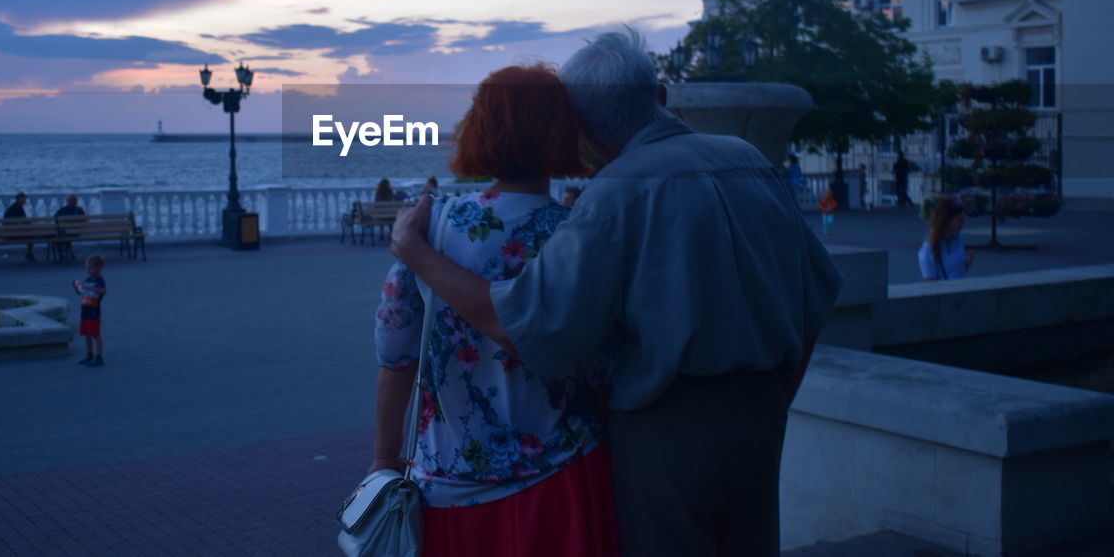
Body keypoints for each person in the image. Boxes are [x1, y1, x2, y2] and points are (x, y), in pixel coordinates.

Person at [389, 29, 844, 557]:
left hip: (666, 427)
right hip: (762, 410)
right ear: (661, 96)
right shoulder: (749, 160)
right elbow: (818, 298)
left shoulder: (615, 194)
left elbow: (526, 325)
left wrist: (417, 252)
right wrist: (773, 399)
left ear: (581, 130)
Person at [369, 63, 619, 556]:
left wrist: (381, 461)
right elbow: (602, 369)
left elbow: (396, 356)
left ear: (478, 128)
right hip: (562, 477)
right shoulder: (578, 234)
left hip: (446, 485)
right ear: (562, 133)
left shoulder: (429, 228)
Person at [919, 198, 974, 280]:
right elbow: (931, 284)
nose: (963, 224)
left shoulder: (956, 239)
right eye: (959, 220)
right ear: (946, 222)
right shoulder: (929, 249)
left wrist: (967, 263)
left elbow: (956, 272)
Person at [73, 254, 107, 366]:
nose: (88, 271)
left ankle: (99, 357)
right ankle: (89, 354)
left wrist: (89, 287)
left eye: (90, 268)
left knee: (95, 334)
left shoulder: (99, 280)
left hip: (94, 311)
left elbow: (103, 291)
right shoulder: (87, 279)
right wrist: (76, 287)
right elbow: (81, 292)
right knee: (87, 334)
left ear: (98, 268)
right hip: (85, 310)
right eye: (88, 268)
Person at [5, 192, 34, 260]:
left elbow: (23, 220)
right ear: (18, 199)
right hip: (12, 233)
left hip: (13, 231)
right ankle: (29, 253)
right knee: (31, 235)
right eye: (23, 199)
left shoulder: (18, 207)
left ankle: (29, 253)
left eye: (24, 199)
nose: (25, 200)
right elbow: (21, 220)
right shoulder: (16, 208)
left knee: (31, 235)